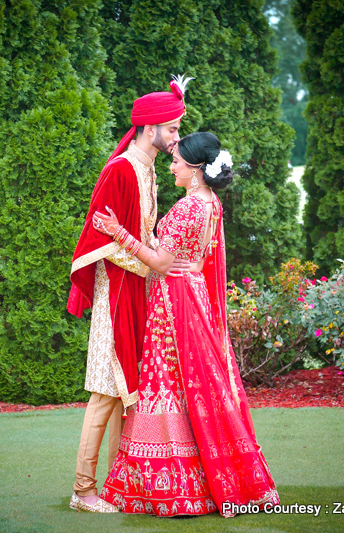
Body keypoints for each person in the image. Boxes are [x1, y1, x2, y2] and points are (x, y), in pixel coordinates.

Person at [91, 132, 280, 518]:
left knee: (166, 382)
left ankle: (171, 486)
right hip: (194, 296)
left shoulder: (187, 208)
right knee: (190, 386)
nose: (172, 165)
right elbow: (196, 263)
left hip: (174, 302)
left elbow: (161, 264)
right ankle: (201, 482)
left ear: (195, 169)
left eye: (176, 161)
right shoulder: (212, 205)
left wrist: (118, 233)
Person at [67, 75, 194, 513]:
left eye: (178, 129)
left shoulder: (149, 168)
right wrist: (152, 263)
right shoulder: (120, 169)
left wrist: (157, 264)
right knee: (105, 392)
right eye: (172, 129)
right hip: (116, 293)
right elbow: (97, 242)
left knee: (129, 397)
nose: (176, 137)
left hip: (143, 291)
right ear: (149, 128)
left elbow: (137, 235)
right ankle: (83, 490)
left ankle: (119, 486)